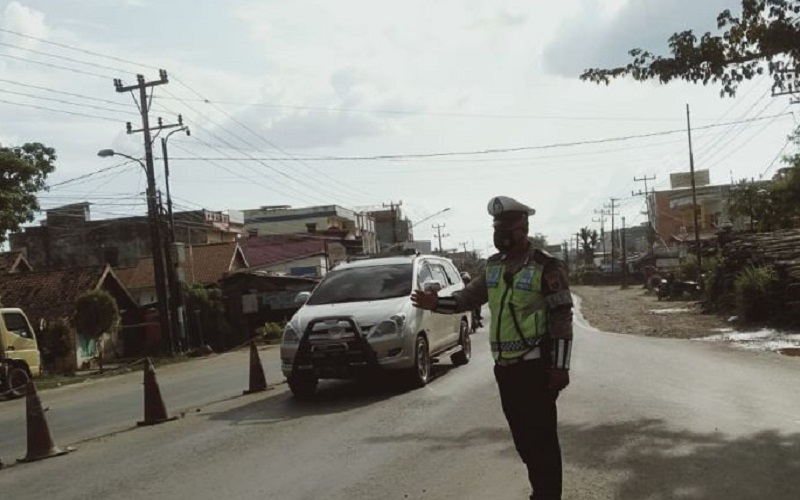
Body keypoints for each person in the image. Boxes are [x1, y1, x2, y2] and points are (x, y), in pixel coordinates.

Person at [411, 196, 573, 500]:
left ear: (523, 229)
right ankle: (541, 489)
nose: (500, 234)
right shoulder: (494, 267)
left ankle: (546, 495)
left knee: (542, 441)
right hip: (505, 370)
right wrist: (436, 303)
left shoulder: (546, 266)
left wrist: (560, 366)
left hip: (536, 368)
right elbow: (468, 298)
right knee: (523, 440)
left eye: (506, 228)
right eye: (497, 228)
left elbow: (562, 316)